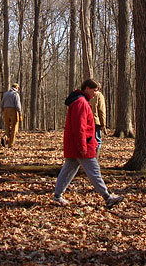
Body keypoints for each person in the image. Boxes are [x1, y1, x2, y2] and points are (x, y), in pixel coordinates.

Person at [53, 78, 124, 209]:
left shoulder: (81, 101)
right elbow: (79, 127)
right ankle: (107, 197)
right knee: (94, 171)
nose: (96, 93)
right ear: (87, 88)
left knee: (69, 168)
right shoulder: (80, 103)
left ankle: (57, 196)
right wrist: (82, 147)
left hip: (80, 144)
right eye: (94, 90)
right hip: (82, 144)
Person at [0, 83, 22, 148]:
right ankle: (11, 145)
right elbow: (18, 105)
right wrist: (20, 113)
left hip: (6, 110)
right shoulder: (15, 94)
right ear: (16, 88)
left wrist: (4, 111)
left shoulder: (5, 94)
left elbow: (1, 104)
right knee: (14, 128)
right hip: (13, 111)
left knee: (7, 126)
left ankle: (5, 137)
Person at [90, 86, 107, 158]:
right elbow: (101, 110)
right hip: (96, 121)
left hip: (87, 121)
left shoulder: (87, 95)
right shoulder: (99, 95)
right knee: (97, 141)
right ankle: (94, 159)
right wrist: (103, 124)